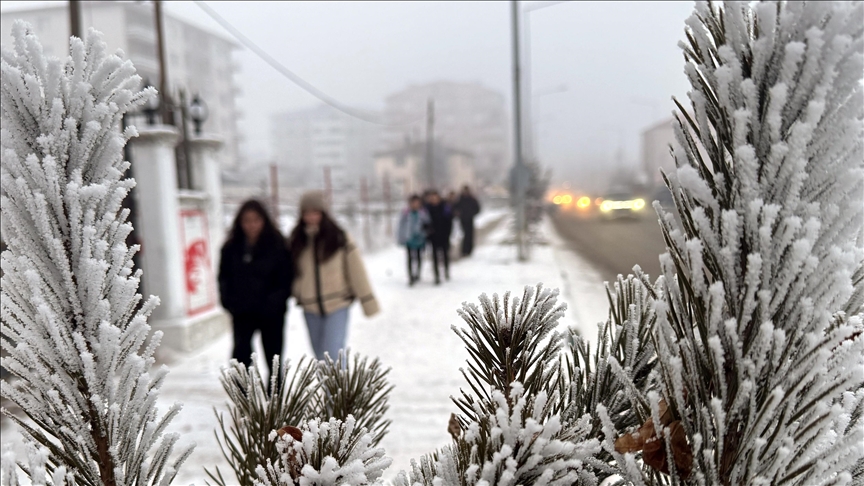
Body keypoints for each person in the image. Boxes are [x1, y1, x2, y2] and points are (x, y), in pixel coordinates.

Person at [288, 191, 379, 360]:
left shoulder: (339, 238)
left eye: (315, 212)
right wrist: (297, 291)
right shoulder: (296, 241)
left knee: (334, 353)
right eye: (307, 213)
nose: (311, 217)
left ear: (323, 213)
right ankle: (328, 387)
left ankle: (341, 387)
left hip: (337, 303)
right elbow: (290, 272)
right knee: (320, 356)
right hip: (310, 307)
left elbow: (356, 271)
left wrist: (368, 302)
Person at [218, 199, 293, 368]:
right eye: (247, 221)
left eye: (256, 220)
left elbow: (286, 278)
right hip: (242, 312)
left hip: (272, 313)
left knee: (274, 359)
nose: (252, 225)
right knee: (240, 358)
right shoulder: (231, 248)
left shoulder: (278, 245)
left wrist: (276, 301)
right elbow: (224, 277)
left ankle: (274, 394)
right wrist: (229, 301)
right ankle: (244, 393)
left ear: (264, 221)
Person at [397, 194, 431, 286]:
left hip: (420, 238)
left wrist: (426, 233)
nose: (415, 204)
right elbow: (401, 226)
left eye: (417, 203)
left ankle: (418, 274)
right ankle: (410, 276)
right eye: (413, 203)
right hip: (409, 238)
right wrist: (401, 237)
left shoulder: (423, 213)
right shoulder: (406, 213)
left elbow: (428, 224)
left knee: (419, 256)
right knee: (410, 258)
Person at [424, 190, 453, 284]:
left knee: (445, 254)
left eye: (435, 198)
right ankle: (436, 276)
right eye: (432, 198)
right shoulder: (427, 209)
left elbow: (449, 221)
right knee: (435, 256)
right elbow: (424, 222)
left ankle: (446, 271)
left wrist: (448, 233)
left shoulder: (444, 207)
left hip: (444, 235)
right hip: (433, 236)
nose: (434, 200)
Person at [455, 185, 481, 257]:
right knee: (465, 234)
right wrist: (458, 214)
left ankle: (469, 250)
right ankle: (464, 250)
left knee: (470, 235)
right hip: (463, 219)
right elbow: (455, 208)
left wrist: (472, 214)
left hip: (470, 219)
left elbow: (477, 208)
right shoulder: (460, 199)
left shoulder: (472, 199)